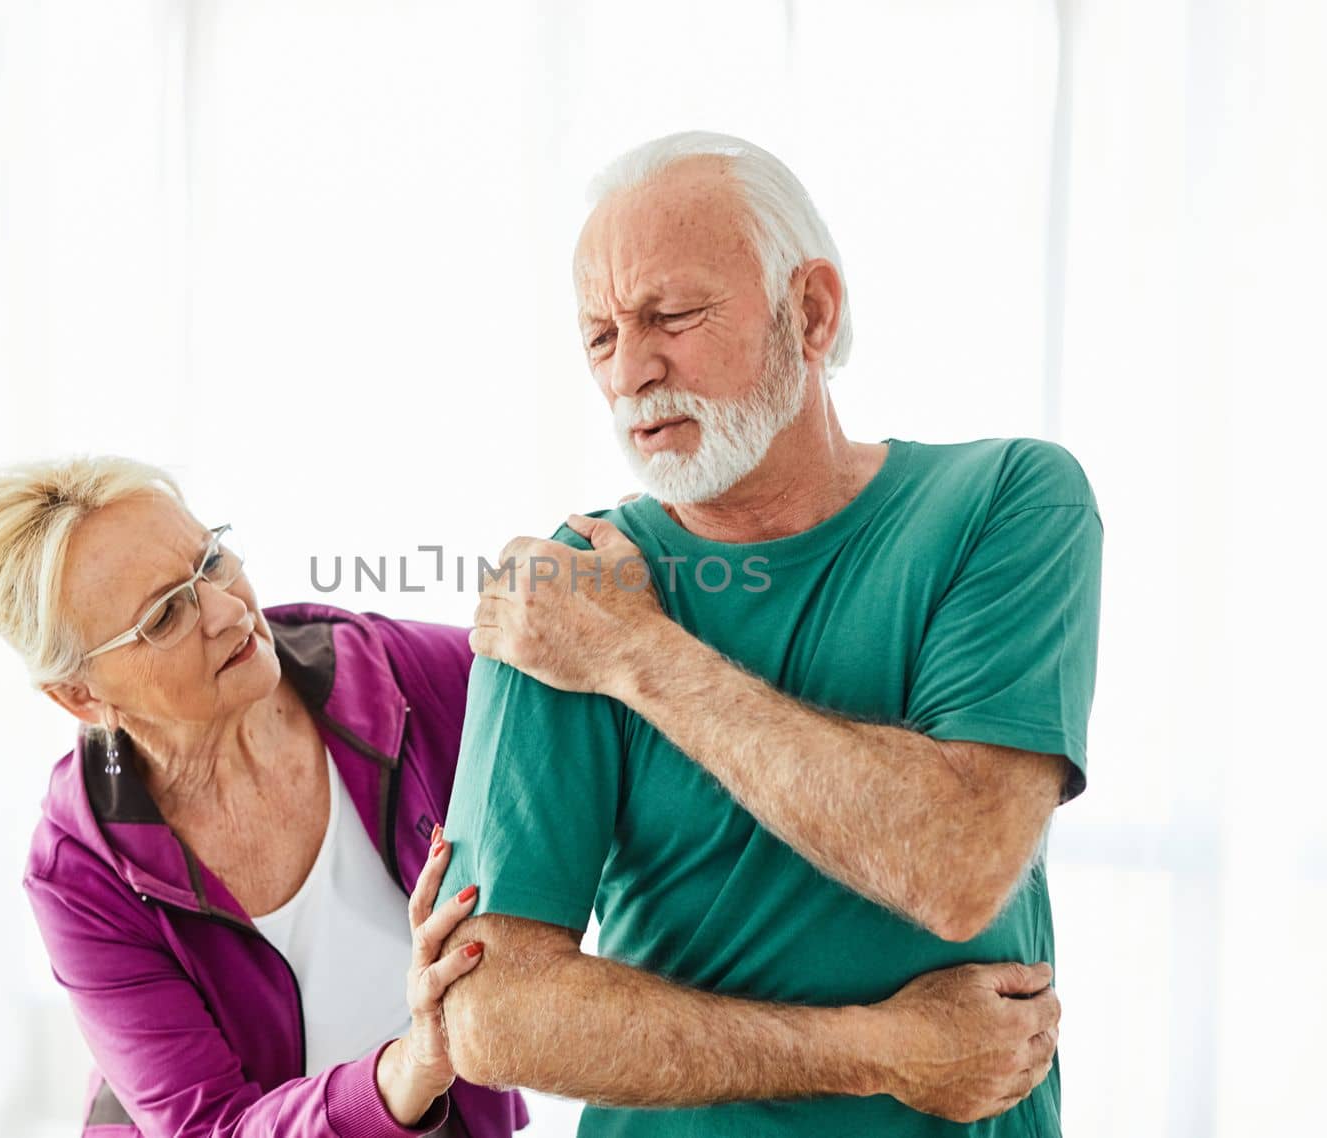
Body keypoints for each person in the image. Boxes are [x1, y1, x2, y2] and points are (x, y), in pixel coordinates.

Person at [436, 130, 1100, 1136]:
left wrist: (639, 653)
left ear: (811, 310)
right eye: (600, 336)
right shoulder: (566, 589)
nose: (631, 372)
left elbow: (957, 861)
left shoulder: (1006, 501)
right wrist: (879, 1050)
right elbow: (492, 1015)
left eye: (670, 315)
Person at [0, 456, 529, 1137]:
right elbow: (209, 1127)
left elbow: (593, 723)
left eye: (212, 562)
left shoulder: (404, 681)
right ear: (82, 696)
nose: (228, 612)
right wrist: (401, 1074)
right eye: (165, 616)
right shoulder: (77, 872)